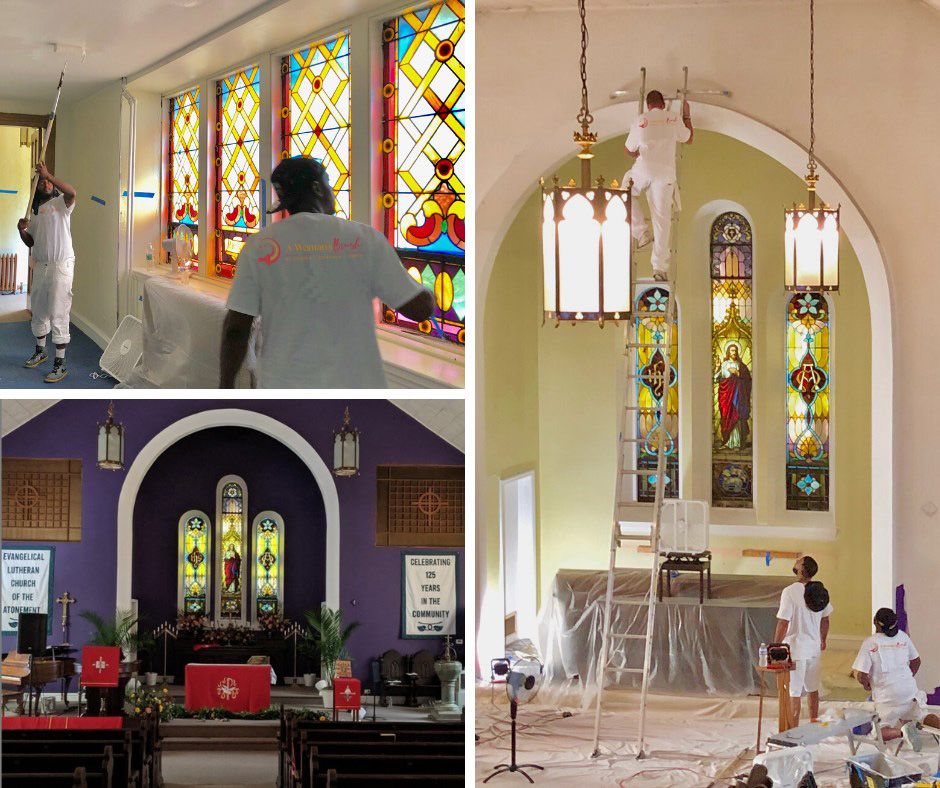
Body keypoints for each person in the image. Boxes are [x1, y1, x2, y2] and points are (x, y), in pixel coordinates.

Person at [219, 156, 433, 388]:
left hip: (284, 388)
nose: (332, 191)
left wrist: (225, 387)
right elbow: (420, 309)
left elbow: (236, 329)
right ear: (317, 188)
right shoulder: (364, 239)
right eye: (328, 184)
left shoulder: (259, 246)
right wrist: (429, 293)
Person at [16, 162, 77, 383]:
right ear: (36, 188)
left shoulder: (62, 203)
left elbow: (72, 192)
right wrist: (21, 230)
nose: (46, 183)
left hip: (61, 265)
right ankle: (40, 351)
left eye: (48, 181)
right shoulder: (35, 213)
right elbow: (30, 242)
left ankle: (60, 363)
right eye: (41, 182)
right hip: (40, 265)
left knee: (59, 312)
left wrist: (48, 174)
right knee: (39, 309)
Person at [623, 90, 693, 281]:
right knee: (662, 220)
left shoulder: (641, 119)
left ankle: (641, 233)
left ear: (648, 105)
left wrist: (638, 153)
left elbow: (628, 149)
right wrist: (687, 115)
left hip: (644, 168)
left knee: (624, 192)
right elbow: (688, 138)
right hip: (665, 173)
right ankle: (659, 268)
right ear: (663, 104)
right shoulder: (673, 117)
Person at [852, 607, 940, 744]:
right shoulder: (903, 636)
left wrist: (866, 684)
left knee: (878, 732)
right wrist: (904, 679)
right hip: (910, 693)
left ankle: (902, 732)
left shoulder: (870, 642)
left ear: (875, 622)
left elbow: (861, 674)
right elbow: (916, 661)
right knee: (923, 716)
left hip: (887, 698)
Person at [774, 556, 832, 726]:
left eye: (798, 561)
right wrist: (822, 640)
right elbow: (826, 619)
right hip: (814, 648)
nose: (795, 561)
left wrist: (776, 645)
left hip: (796, 649)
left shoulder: (790, 592)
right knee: (812, 688)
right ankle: (814, 722)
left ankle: (794, 728)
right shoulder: (820, 591)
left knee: (795, 691)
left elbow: (783, 622)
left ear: (801, 569)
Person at [715, 343, 752, 448]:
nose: (734, 352)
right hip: (725, 395)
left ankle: (737, 442)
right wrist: (717, 367)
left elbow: (748, 380)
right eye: (732, 350)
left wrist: (737, 373)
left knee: (737, 415)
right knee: (726, 416)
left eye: (735, 350)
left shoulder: (741, 366)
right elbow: (716, 379)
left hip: (737, 395)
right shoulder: (724, 364)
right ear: (728, 352)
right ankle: (727, 441)